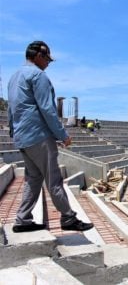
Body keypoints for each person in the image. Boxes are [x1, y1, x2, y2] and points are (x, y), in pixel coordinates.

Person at [8, 41, 94, 233]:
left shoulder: (14, 77)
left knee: (33, 179)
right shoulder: (39, 76)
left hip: (22, 137)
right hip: (39, 136)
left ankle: (23, 220)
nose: (48, 63)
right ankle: (68, 218)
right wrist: (63, 135)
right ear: (39, 55)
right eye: (47, 59)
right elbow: (47, 109)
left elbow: (12, 109)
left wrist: (14, 132)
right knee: (53, 179)